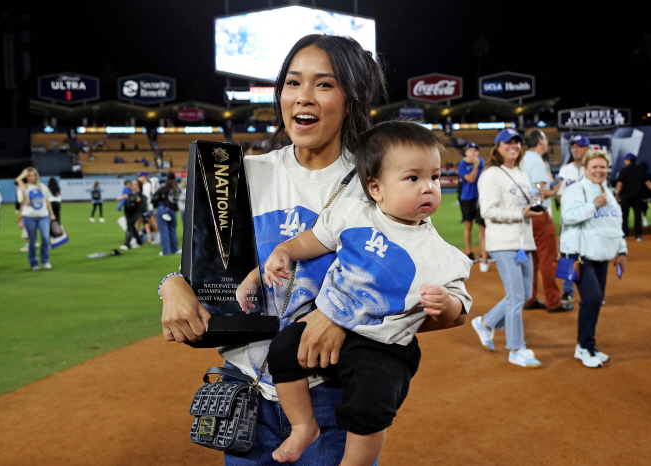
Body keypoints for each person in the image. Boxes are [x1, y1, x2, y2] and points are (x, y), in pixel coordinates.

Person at [160, 35, 466, 466]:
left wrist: (345, 320)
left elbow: (422, 295)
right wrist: (171, 285)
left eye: (324, 84)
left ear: (351, 97)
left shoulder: (379, 182)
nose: (303, 96)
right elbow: (206, 276)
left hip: (329, 399)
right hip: (245, 394)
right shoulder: (236, 173)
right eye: (292, 82)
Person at [251, 121, 471, 465]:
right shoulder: (353, 213)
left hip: (383, 345)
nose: (428, 188)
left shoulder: (443, 254)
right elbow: (315, 239)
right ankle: (303, 426)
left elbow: (459, 312)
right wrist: (285, 251)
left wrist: (447, 304)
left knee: (371, 399)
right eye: (413, 178)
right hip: (325, 323)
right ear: (376, 188)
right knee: (282, 349)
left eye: (435, 177)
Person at [471, 129, 544, 368]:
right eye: (508, 142)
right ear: (498, 147)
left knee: (524, 295)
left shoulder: (521, 173)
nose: (513, 146)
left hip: (524, 241)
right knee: (516, 296)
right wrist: (520, 213)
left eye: (516, 142)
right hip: (503, 242)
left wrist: (538, 200)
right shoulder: (491, 174)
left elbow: (529, 204)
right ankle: (516, 349)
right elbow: (488, 211)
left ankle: (485, 323)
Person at [560, 150, 627, 368]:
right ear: (586, 169)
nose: (599, 170)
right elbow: (568, 216)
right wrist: (593, 205)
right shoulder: (576, 190)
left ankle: (588, 345)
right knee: (592, 299)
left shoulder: (606, 192)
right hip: (577, 255)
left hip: (601, 255)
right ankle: (584, 347)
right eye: (594, 167)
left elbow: (615, 224)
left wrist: (622, 250)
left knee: (596, 302)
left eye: (602, 167)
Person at [520, 128, 570, 313]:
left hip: (525, 216)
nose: (547, 142)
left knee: (532, 261)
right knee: (548, 260)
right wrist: (554, 191)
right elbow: (537, 194)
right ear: (540, 141)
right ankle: (553, 302)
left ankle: (530, 298)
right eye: (546, 139)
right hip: (539, 214)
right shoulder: (537, 161)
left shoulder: (523, 159)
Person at [556, 135, 591, 305]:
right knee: (568, 254)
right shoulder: (565, 170)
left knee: (590, 254)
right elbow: (559, 196)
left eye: (579, 146)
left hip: (589, 220)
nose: (575, 149)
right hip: (569, 220)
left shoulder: (592, 169)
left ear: (587, 149)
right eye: (573, 146)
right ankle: (567, 290)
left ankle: (591, 290)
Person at [16, 167, 56, 271]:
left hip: (43, 216)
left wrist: (51, 213)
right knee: (32, 241)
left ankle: (45, 261)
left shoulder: (42, 186)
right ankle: (33, 263)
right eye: (29, 175)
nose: (32, 177)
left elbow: (47, 200)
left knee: (45, 238)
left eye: (33, 175)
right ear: (25, 177)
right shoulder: (22, 188)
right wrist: (23, 190)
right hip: (29, 217)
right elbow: (25, 203)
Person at [615, 153, 651, 241]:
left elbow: (619, 184)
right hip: (637, 197)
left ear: (628, 160)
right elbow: (648, 184)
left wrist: (617, 195)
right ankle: (638, 236)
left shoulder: (623, 171)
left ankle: (624, 235)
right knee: (638, 216)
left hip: (625, 197)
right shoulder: (640, 171)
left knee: (624, 216)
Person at [458, 142, 489, 271]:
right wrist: (475, 165)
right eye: (471, 150)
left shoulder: (480, 160)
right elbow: (471, 179)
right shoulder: (462, 164)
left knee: (482, 226)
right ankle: (470, 253)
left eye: (475, 151)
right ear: (466, 152)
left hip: (480, 197)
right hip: (467, 198)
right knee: (468, 225)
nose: (473, 153)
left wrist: (476, 163)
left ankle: (484, 254)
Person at [155, 173, 181, 256]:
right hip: (173, 210)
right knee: (172, 230)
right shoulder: (177, 188)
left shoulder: (165, 188)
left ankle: (166, 251)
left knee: (164, 230)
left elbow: (156, 197)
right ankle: (175, 249)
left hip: (163, 210)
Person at [120, 179, 147, 250]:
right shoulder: (129, 193)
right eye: (133, 183)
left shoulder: (139, 194)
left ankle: (126, 244)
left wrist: (127, 198)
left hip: (135, 212)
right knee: (132, 227)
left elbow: (139, 201)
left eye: (135, 184)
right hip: (128, 212)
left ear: (138, 186)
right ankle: (139, 241)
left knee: (130, 226)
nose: (132, 185)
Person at [138, 172, 159, 244]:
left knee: (151, 222)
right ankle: (139, 237)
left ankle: (158, 235)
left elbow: (148, 197)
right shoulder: (141, 186)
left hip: (148, 206)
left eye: (140, 176)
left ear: (144, 177)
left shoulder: (148, 185)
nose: (139, 178)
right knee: (141, 222)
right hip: (142, 206)